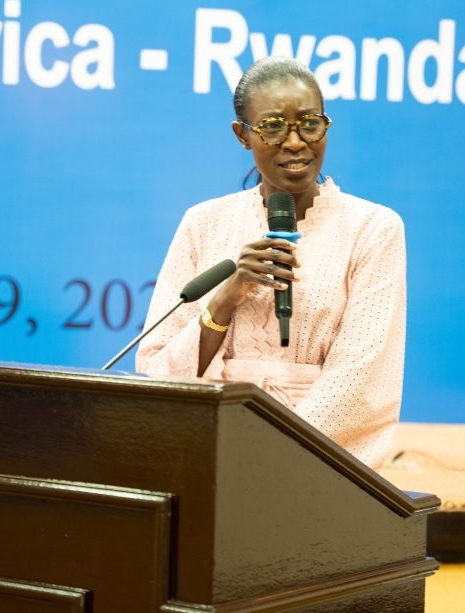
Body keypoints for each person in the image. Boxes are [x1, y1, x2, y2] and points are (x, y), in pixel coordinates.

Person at [136, 57, 406, 471]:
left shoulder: (374, 228)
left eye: (310, 123)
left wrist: (265, 455)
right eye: (273, 126)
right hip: (210, 453)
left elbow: (361, 376)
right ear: (243, 135)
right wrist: (226, 297)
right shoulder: (202, 223)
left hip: (318, 463)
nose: (295, 142)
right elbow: (158, 365)